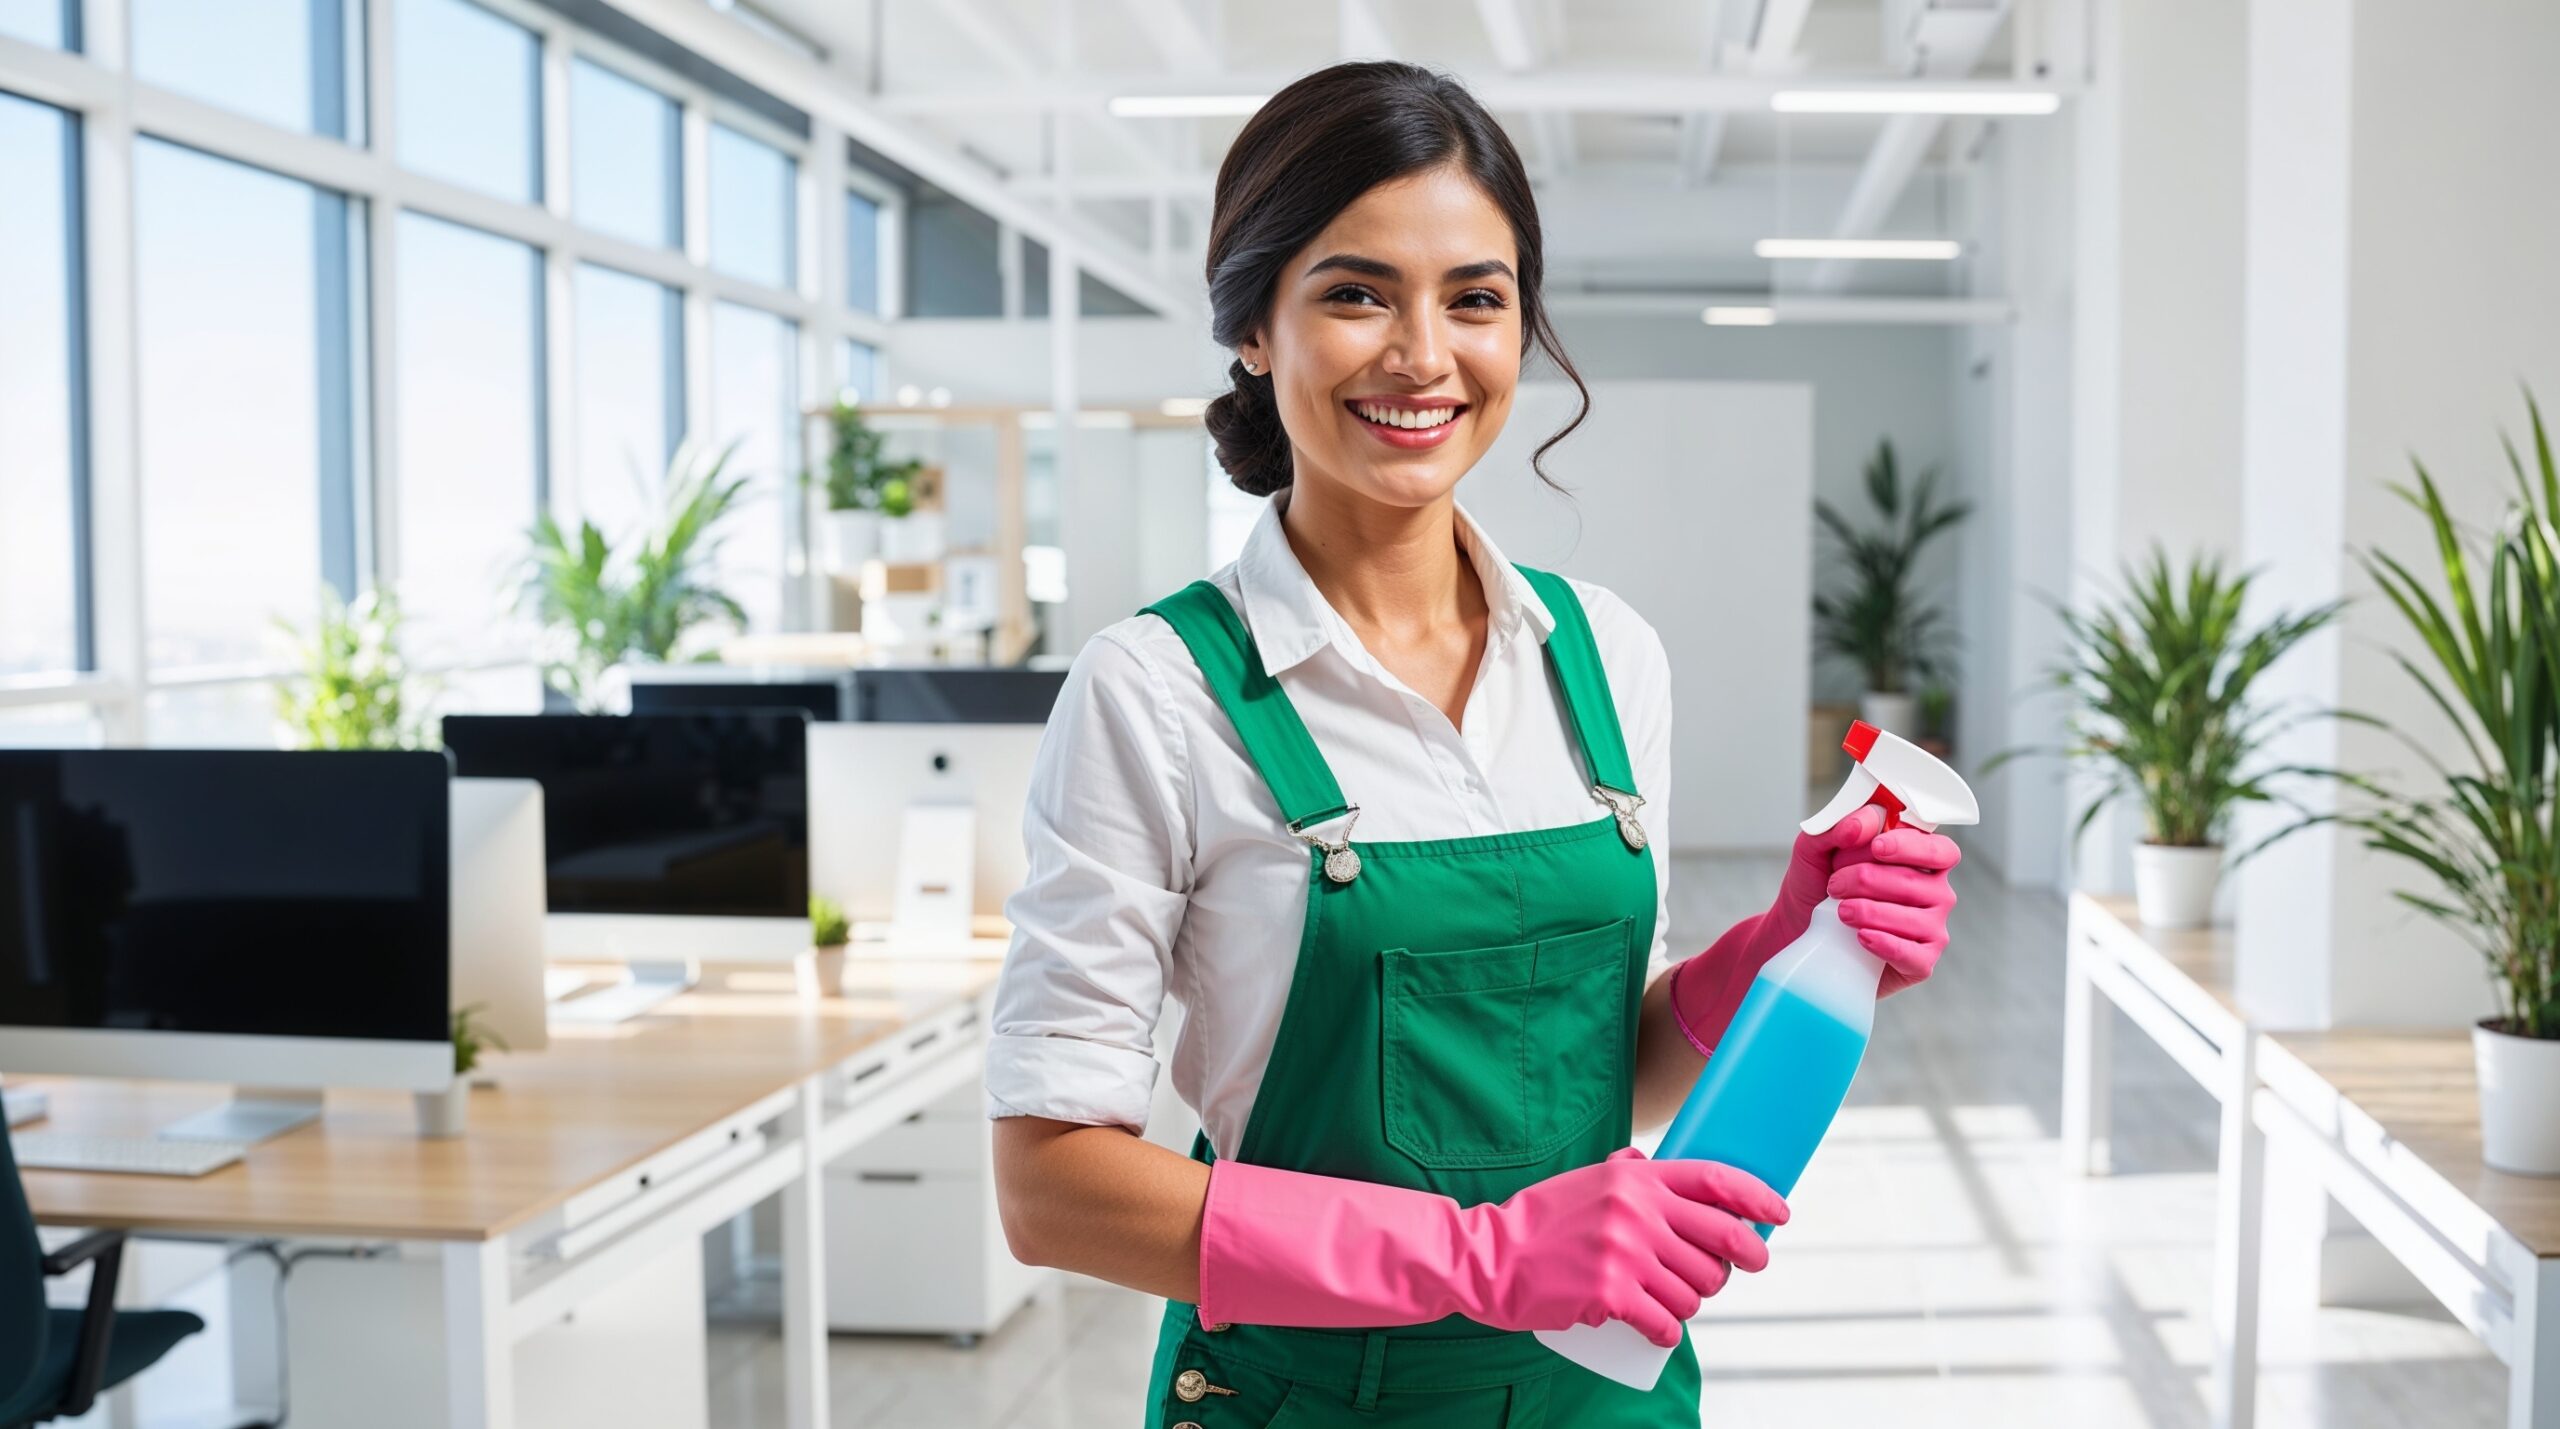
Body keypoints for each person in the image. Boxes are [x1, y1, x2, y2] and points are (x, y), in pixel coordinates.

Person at [986, 60, 1963, 1428]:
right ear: (1256, 330)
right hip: (1311, 1400)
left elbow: (1590, 1067)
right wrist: (1484, 1257)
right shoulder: (1157, 693)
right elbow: (1050, 1184)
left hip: (1605, 1387)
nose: (1423, 354)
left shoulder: (1604, 656)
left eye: (1476, 299)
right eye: (1355, 292)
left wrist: (1784, 946)